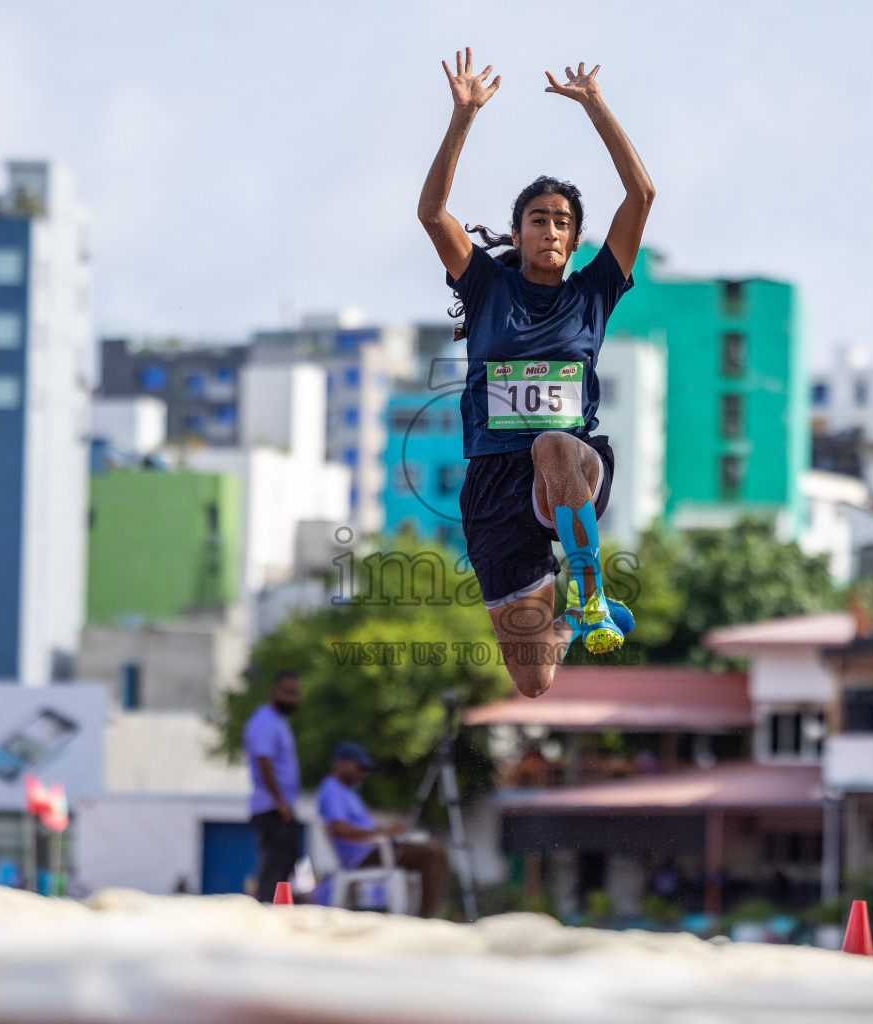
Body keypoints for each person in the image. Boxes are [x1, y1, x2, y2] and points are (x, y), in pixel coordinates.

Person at [418, 49, 656, 699]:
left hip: (573, 465)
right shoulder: (487, 287)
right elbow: (434, 215)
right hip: (494, 485)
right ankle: (570, 609)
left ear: (576, 239)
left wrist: (596, 106)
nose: (550, 229)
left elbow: (641, 195)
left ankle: (591, 592)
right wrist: (462, 117)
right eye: (537, 219)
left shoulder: (594, 292)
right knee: (532, 679)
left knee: (551, 443)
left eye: (562, 221)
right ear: (519, 234)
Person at [317, 741, 450, 917]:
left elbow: (365, 828)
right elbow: (340, 829)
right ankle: (426, 918)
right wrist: (384, 833)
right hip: (363, 856)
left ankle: (427, 915)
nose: (363, 773)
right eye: (360, 767)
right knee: (431, 854)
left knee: (434, 850)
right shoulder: (333, 790)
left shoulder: (347, 791)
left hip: (376, 848)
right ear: (343, 763)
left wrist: (392, 832)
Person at [244, 671, 304, 903]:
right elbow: (263, 760)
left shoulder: (278, 722)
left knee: (286, 861)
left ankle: (273, 906)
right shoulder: (265, 722)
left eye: (296, 693)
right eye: (288, 692)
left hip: (278, 805)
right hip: (272, 806)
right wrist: (279, 800)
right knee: (276, 863)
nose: (292, 698)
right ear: (274, 691)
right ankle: (268, 908)